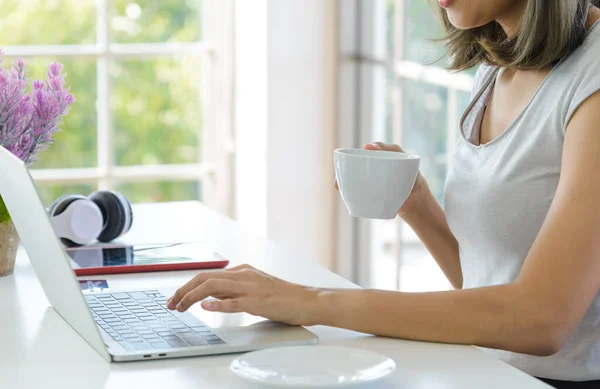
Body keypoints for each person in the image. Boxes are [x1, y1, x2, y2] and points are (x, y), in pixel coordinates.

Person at [167, 1, 600, 387]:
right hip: (486, 371)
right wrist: (420, 207)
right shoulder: (497, 63)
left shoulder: (591, 75)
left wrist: (308, 300)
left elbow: (540, 320)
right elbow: (488, 283)